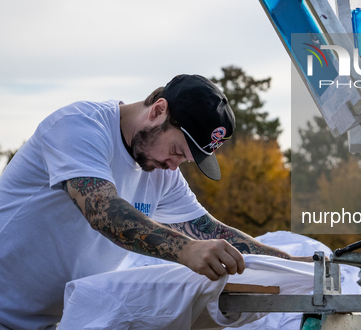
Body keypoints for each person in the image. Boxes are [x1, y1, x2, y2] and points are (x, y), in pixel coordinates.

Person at [0, 74, 304, 330]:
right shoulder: (79, 127)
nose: (174, 166)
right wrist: (185, 249)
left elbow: (207, 230)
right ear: (159, 110)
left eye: (185, 160)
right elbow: (104, 212)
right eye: (176, 149)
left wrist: (295, 267)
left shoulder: (160, 171)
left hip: (47, 321)